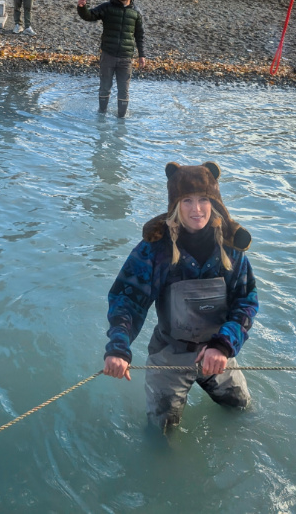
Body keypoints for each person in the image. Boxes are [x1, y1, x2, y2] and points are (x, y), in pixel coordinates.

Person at [103, 161, 258, 432]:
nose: (196, 209)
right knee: (162, 436)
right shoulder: (154, 250)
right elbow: (127, 300)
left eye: (203, 200)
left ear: (214, 202)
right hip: (169, 355)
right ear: (175, 204)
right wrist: (118, 348)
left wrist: (223, 347)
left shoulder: (231, 249)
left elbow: (246, 302)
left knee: (243, 411)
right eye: (187, 200)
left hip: (217, 356)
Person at [76, 0, 146, 118]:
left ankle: (121, 120)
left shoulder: (136, 13)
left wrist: (141, 55)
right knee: (104, 87)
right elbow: (89, 16)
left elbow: (139, 35)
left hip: (126, 58)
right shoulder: (107, 7)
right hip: (108, 54)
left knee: (123, 90)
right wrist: (82, 7)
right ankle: (101, 117)